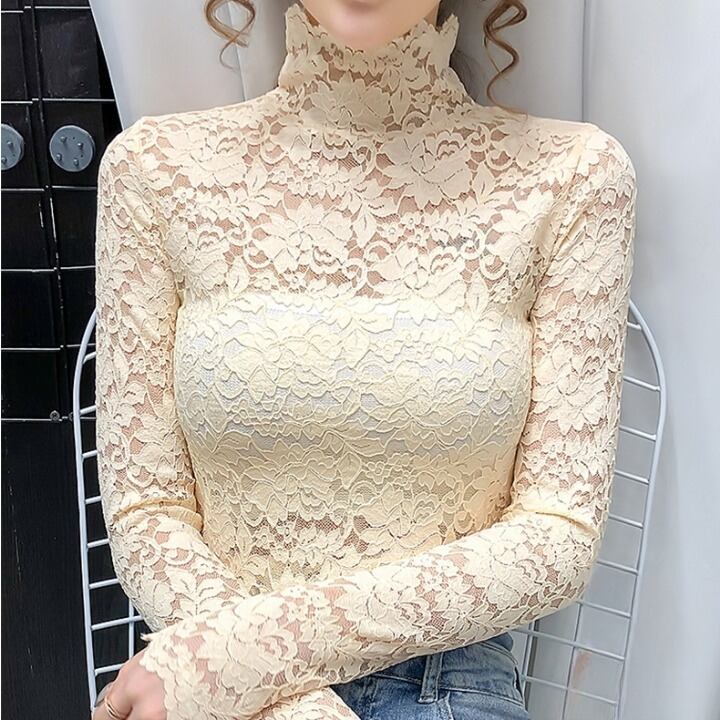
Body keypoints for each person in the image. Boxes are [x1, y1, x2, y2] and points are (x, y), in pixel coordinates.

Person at [91, 1, 637, 719]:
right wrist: (279, 697)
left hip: (435, 688)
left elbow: (558, 535)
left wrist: (239, 658)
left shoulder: (572, 176)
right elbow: (148, 506)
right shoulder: (156, 170)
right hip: (207, 680)